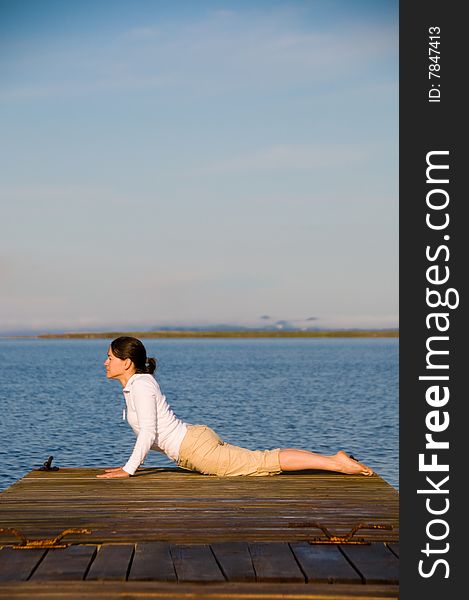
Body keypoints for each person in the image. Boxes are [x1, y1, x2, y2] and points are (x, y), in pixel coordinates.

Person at [96, 336, 373, 479]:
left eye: (110, 357)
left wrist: (128, 469)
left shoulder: (142, 385)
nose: (105, 362)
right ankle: (333, 460)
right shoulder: (137, 385)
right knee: (261, 458)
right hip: (194, 441)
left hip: (195, 449)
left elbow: (148, 432)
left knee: (264, 462)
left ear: (126, 362)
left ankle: (335, 463)